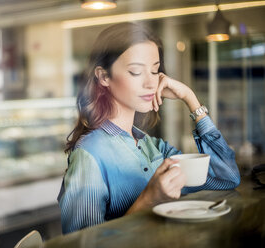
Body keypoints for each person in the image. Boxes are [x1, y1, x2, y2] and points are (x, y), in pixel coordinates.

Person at [57, 22, 240, 234]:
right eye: (136, 72)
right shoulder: (90, 155)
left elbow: (226, 177)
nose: (151, 83)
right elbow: (80, 243)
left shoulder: (151, 146)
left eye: (155, 71)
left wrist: (190, 98)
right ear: (104, 76)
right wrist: (148, 200)